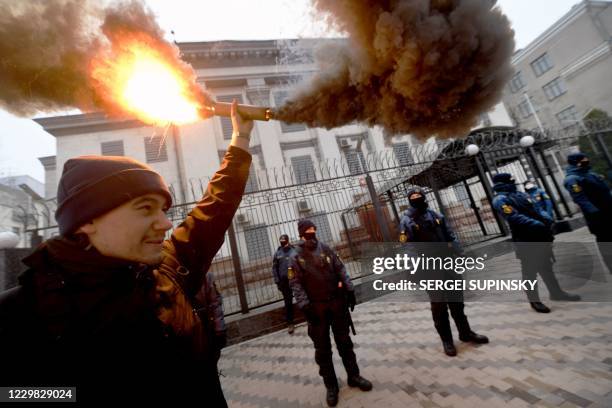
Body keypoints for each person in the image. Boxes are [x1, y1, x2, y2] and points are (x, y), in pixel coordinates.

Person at [0, 100, 253, 405]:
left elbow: (216, 207)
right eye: (145, 209)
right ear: (86, 221)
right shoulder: (21, 313)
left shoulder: (169, 269)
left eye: (163, 209)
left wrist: (240, 139)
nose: (165, 223)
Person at [289, 219, 372, 407]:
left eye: (314, 228)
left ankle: (354, 376)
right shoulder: (296, 256)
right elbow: (295, 284)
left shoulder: (325, 248)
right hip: (317, 309)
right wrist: (305, 306)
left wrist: (349, 290)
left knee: (345, 342)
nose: (312, 231)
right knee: (323, 350)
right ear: (302, 232)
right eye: (308, 229)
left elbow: (340, 268)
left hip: (337, 304)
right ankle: (331, 387)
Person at [398, 188, 488, 357]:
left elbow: (450, 234)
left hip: (448, 263)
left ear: (424, 197)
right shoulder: (406, 220)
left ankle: (465, 332)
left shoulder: (435, 215)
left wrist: (460, 251)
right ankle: (447, 340)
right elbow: (408, 247)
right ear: (410, 200)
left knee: (457, 301)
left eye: (419, 196)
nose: (417, 199)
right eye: (413, 197)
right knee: (439, 305)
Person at [492, 173, 580, 313]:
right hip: (524, 238)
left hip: (539, 235)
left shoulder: (521, 195)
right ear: (503, 183)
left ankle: (556, 293)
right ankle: (534, 301)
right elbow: (513, 216)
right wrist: (537, 224)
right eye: (511, 181)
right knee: (529, 271)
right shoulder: (500, 199)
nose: (514, 182)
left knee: (546, 266)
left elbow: (538, 208)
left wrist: (547, 219)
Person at [564, 153, 612, 273]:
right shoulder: (572, 179)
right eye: (584, 159)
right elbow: (580, 198)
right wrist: (595, 213)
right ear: (577, 162)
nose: (587, 160)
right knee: (605, 241)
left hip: (608, 212)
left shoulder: (590, 173)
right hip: (598, 217)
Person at [272, 234, 296, 334]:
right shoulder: (277, 253)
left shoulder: (294, 250)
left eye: (283, 240)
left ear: (287, 240)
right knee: (288, 302)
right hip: (284, 282)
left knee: (302, 298)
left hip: (296, 279)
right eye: (280, 240)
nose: (282, 241)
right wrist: (277, 281)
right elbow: (274, 268)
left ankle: (310, 318)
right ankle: (290, 324)